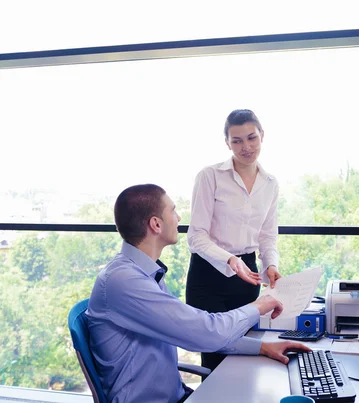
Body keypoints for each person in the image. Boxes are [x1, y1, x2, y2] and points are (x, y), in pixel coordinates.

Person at [86, 184, 309, 403]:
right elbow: (207, 332)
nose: (179, 217)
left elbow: (192, 330)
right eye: (172, 210)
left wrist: (261, 347)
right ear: (156, 224)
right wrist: (258, 306)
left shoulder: (143, 272)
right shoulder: (125, 281)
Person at [186, 109, 283, 373]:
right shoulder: (210, 176)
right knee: (216, 360)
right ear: (227, 142)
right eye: (237, 140)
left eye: (251, 138)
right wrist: (229, 259)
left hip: (247, 276)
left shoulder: (270, 183)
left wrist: (271, 265)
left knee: (246, 359)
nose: (246, 147)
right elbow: (196, 237)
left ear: (262, 135)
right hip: (209, 276)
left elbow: (267, 236)